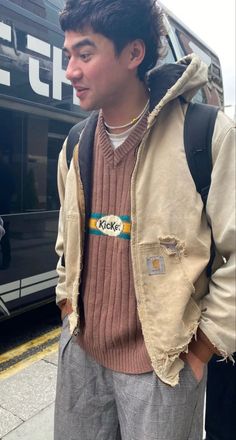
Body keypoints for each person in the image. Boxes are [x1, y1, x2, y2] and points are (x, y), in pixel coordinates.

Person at [54, 1, 235, 439]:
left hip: (165, 367)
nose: (70, 72)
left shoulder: (207, 134)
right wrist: (67, 303)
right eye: (67, 56)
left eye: (85, 53)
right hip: (82, 358)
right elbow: (66, 242)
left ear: (134, 54)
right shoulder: (76, 145)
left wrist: (201, 350)